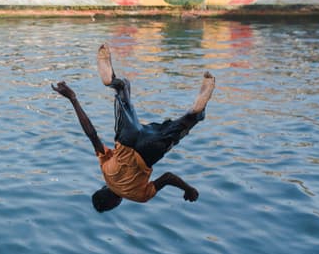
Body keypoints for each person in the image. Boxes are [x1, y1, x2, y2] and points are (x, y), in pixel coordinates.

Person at [52, 43, 215, 213]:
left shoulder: (140, 196)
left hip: (149, 152)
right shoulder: (105, 171)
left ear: (115, 203)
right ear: (102, 189)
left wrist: (188, 189)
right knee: (124, 93)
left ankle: (196, 112)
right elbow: (91, 134)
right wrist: (73, 99)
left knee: (185, 124)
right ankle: (114, 83)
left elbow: (168, 177)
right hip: (127, 139)